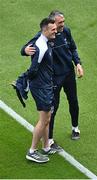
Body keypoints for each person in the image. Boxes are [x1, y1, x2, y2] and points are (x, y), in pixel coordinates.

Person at [21, 10, 84, 150]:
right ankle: (49, 139)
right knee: (52, 108)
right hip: (54, 78)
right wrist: (25, 51)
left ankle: (75, 128)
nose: (62, 25)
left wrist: (78, 63)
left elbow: (73, 48)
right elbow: (25, 49)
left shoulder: (66, 31)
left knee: (73, 100)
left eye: (63, 22)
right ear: (52, 24)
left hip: (68, 73)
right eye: (60, 22)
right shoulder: (43, 36)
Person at [16, 18, 57, 163]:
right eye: (53, 29)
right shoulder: (41, 46)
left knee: (48, 118)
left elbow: (27, 47)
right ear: (45, 30)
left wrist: (24, 50)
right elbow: (33, 69)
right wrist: (26, 80)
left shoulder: (41, 39)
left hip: (45, 85)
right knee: (44, 119)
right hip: (41, 87)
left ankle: (46, 147)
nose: (55, 31)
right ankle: (32, 151)